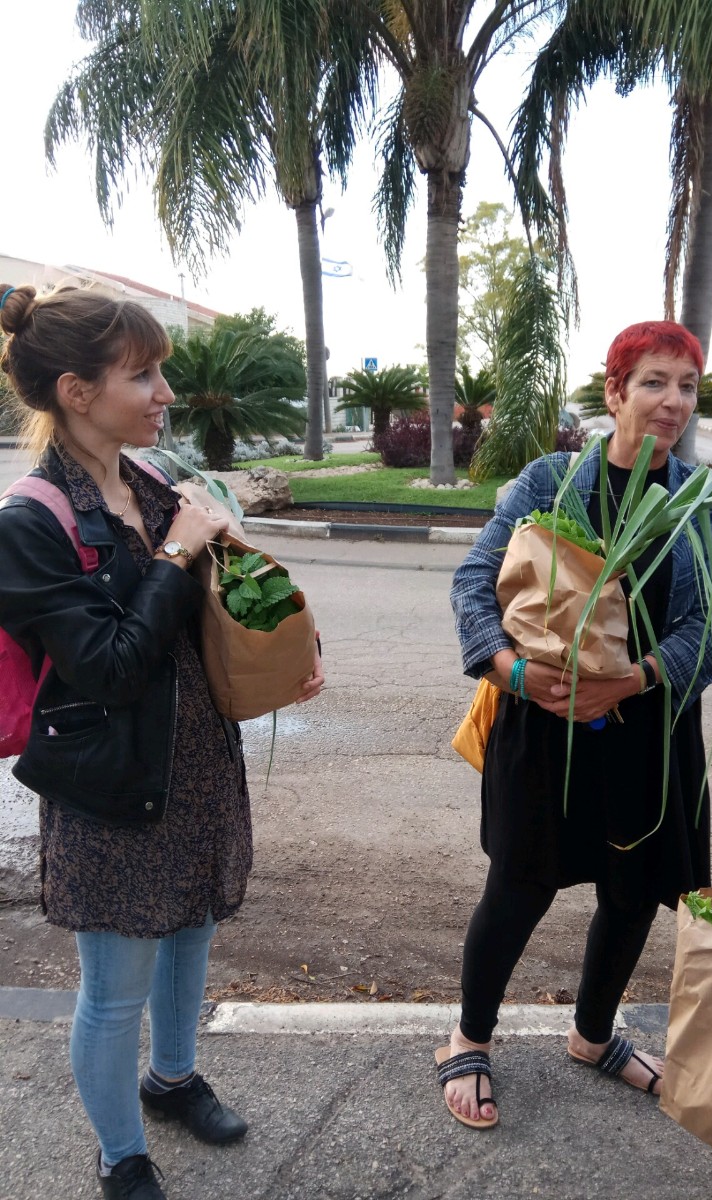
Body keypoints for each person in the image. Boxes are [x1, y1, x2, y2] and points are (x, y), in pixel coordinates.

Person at [0, 283, 324, 1200]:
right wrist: (179, 553)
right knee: (113, 985)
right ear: (76, 389)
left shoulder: (151, 485)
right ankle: (119, 1151)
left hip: (197, 761)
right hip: (111, 783)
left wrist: (286, 643)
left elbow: (215, 608)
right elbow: (107, 667)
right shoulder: (30, 523)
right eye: (142, 376)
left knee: (192, 932)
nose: (164, 395)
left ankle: (173, 1079)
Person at [440, 320, 712, 1128]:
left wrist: (635, 680)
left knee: (634, 889)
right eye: (654, 382)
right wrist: (512, 671)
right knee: (520, 882)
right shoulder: (549, 481)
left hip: (648, 733)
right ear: (615, 392)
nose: (673, 401)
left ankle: (594, 1034)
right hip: (540, 723)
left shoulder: (701, 502)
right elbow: (473, 585)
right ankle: (468, 1039)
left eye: (687, 386)